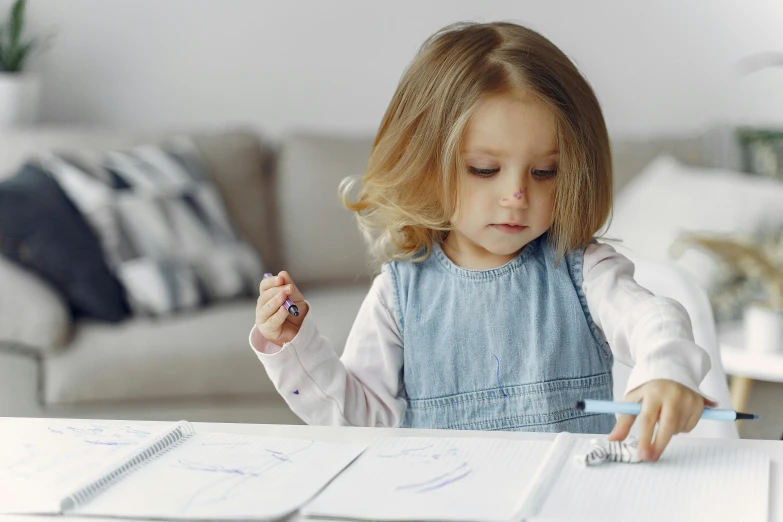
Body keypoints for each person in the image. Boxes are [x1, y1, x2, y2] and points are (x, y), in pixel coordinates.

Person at [251, 21, 713, 462]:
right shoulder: (399, 295)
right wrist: (297, 346)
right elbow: (357, 422)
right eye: (485, 170)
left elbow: (655, 318)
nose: (516, 197)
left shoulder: (584, 272)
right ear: (426, 164)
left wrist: (666, 371)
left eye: (544, 172)